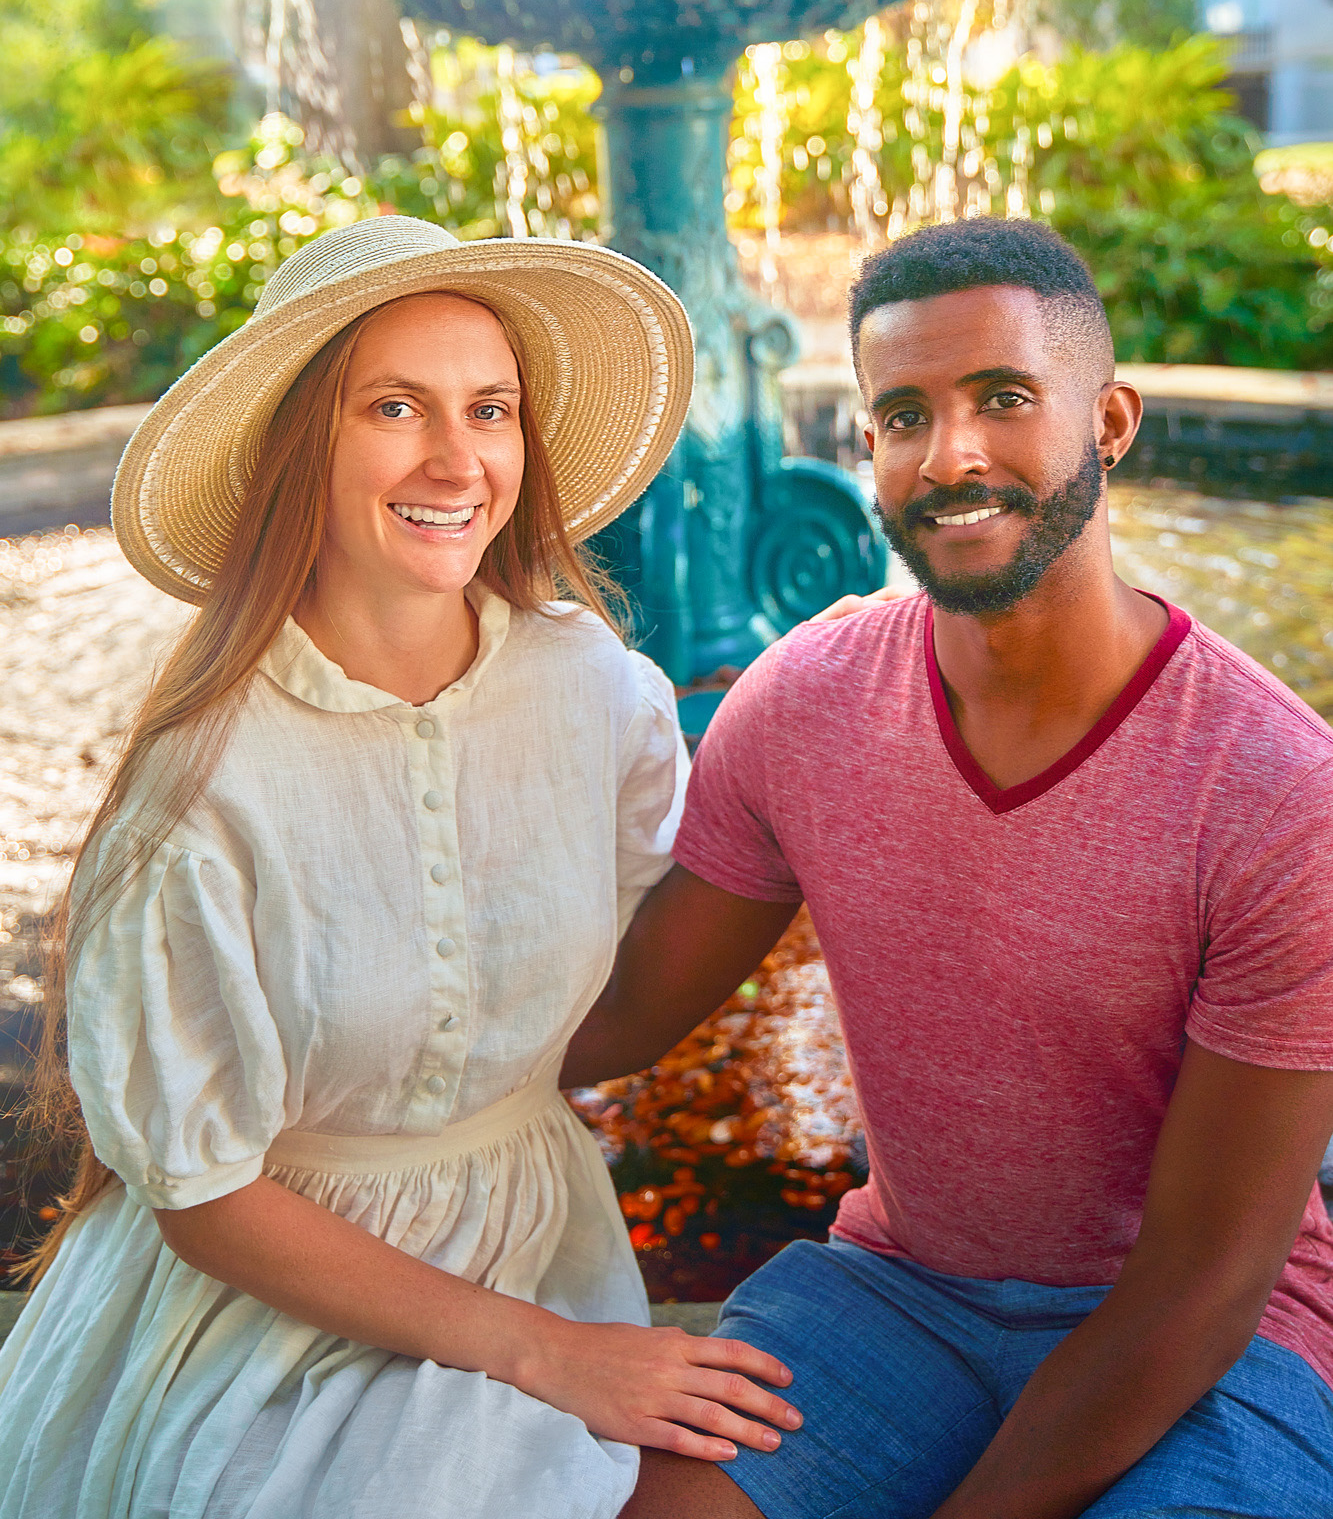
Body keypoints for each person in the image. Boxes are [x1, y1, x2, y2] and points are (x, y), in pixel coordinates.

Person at [0, 216, 795, 1519]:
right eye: (394, 407)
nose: (456, 457)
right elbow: (207, 1198)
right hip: (272, 1306)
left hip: (535, 1244)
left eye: (490, 408)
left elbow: (590, 1014)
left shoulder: (598, 693)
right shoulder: (202, 786)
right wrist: (550, 1355)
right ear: (300, 447)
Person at [565, 216, 1333, 1519]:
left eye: (1004, 399)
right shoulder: (801, 705)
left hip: (1218, 1342)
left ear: (1109, 421)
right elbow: (625, 1009)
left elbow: (1197, 1289)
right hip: (899, 1293)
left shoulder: (1277, 793)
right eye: (905, 413)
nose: (953, 452)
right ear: (866, 449)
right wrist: (300, 1087)